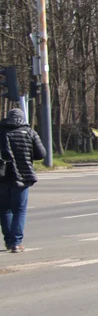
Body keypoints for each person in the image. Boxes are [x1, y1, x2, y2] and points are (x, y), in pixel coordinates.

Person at [0, 108, 47, 253]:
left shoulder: (1, 131)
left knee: (4, 209)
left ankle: (9, 240)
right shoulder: (30, 132)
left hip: (3, 176)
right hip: (23, 176)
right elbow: (41, 154)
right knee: (19, 210)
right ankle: (16, 242)